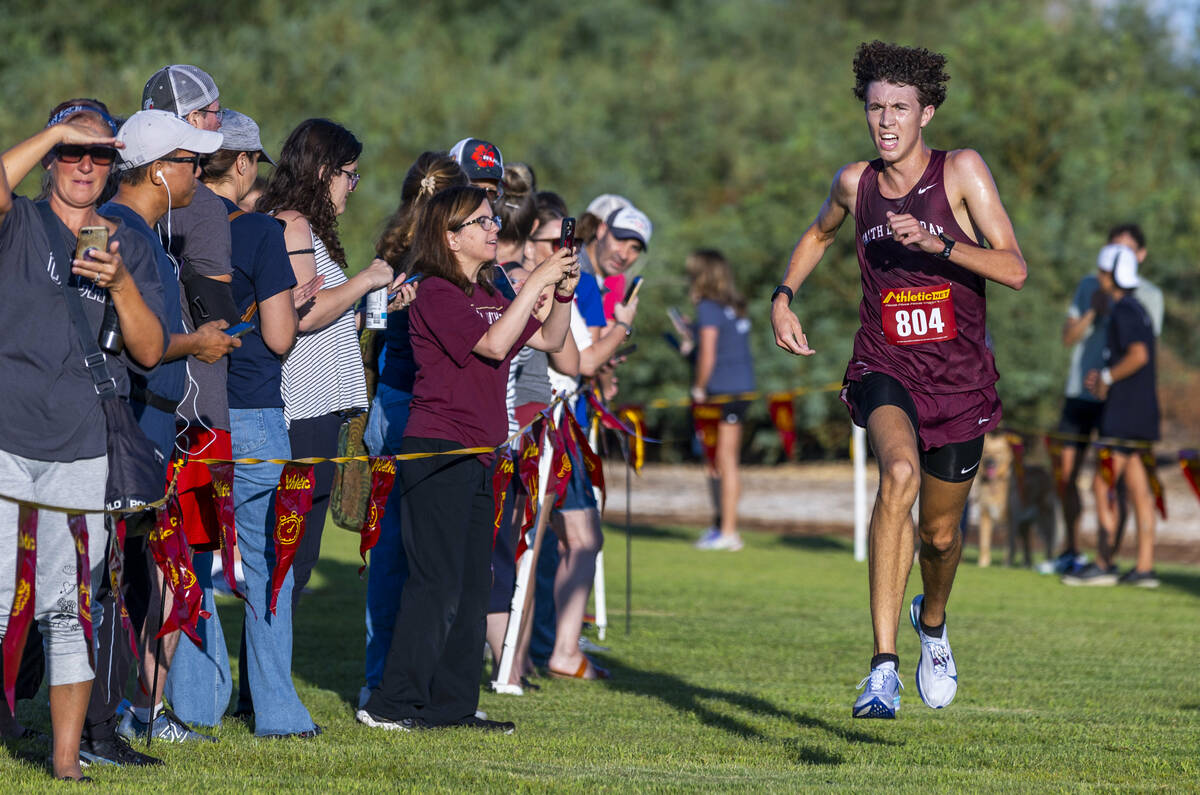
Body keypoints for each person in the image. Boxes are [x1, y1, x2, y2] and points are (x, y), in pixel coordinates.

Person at [770, 41, 1026, 719]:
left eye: (900, 109)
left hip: (961, 381)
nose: (885, 121)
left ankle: (932, 623)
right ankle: (882, 667)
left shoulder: (962, 172)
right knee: (900, 475)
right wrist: (782, 295)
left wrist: (938, 245)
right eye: (876, 107)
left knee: (941, 537)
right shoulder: (854, 184)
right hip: (885, 365)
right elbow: (819, 236)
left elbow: (1014, 268)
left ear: (927, 113)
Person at [358, 185, 577, 733]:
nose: (493, 229)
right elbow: (495, 346)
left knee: (473, 585)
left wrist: (563, 293)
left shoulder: (487, 290)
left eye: (492, 220)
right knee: (434, 582)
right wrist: (536, 285)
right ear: (451, 237)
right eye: (481, 222)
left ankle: (452, 705)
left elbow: (549, 341)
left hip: (482, 452)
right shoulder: (435, 292)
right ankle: (391, 703)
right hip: (437, 448)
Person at [0, 100, 168, 781]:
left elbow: (151, 351)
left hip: (81, 448)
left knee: (66, 609)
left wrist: (122, 281)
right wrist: (54, 135)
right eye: (73, 151)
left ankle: (66, 764)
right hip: (6, 442)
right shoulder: (20, 223)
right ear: (49, 157)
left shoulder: (117, 237)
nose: (85, 165)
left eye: (100, 154)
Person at [163, 110, 328, 738]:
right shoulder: (261, 231)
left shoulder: (170, 220)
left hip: (189, 416)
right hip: (256, 413)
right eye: (255, 161)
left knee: (194, 561)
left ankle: (194, 705)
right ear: (239, 163)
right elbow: (283, 336)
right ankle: (279, 713)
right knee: (267, 566)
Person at [81, 108, 227, 760]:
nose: (200, 172)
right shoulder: (128, 236)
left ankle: (95, 718)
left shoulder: (130, 231)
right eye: (191, 161)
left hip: (145, 424)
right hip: (129, 426)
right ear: (161, 170)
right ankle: (97, 727)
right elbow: (134, 347)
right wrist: (198, 341)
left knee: (119, 575)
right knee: (113, 577)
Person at [255, 118, 404, 617]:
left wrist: (378, 303)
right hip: (303, 409)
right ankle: (261, 691)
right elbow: (306, 315)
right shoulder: (292, 224)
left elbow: (325, 313)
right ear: (323, 172)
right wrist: (366, 278)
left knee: (300, 554)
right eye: (349, 174)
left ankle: (265, 688)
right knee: (291, 556)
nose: (352, 186)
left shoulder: (304, 227)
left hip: (320, 409)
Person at [358, 151, 465, 707]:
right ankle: (403, 683)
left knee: (393, 555)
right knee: (431, 561)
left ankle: (382, 676)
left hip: (389, 400)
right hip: (423, 408)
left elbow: (370, 331)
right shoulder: (438, 257)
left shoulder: (391, 248)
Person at [1048, 224, 1161, 575]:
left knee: (1106, 483)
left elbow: (1139, 354)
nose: (1098, 276)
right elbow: (1072, 338)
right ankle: (1139, 569)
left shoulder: (1131, 307)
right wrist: (1094, 313)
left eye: (1103, 270)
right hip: (1116, 404)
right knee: (1126, 485)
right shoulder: (1118, 301)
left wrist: (1109, 377)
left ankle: (1105, 561)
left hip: (1121, 407)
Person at [686, 249, 756, 552]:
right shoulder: (732, 306)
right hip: (741, 389)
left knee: (723, 462)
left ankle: (728, 532)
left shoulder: (709, 307)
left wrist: (698, 388)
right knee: (718, 462)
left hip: (721, 394)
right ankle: (720, 527)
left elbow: (710, 354)